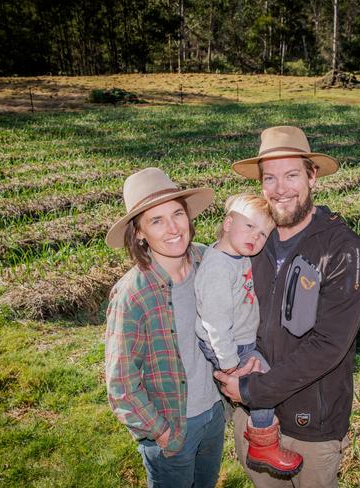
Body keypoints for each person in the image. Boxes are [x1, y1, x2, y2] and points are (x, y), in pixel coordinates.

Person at [214, 126, 360, 488]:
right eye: (270, 178)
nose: (280, 189)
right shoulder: (253, 240)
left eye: (291, 175)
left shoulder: (343, 250)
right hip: (252, 418)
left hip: (311, 426)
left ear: (312, 176)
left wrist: (255, 390)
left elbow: (329, 345)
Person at [104, 167, 225, 488]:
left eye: (177, 214)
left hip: (214, 412)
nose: (173, 228)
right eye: (156, 220)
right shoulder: (133, 294)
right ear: (139, 232)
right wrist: (159, 429)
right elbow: (121, 384)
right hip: (173, 424)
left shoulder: (207, 261)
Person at [195, 193, 303, 476]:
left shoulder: (236, 255)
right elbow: (215, 323)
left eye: (264, 234)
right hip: (228, 346)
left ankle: (261, 432)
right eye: (250, 226)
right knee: (263, 388)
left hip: (239, 342)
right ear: (228, 223)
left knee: (266, 382)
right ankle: (263, 445)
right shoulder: (218, 268)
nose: (256, 237)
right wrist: (230, 363)